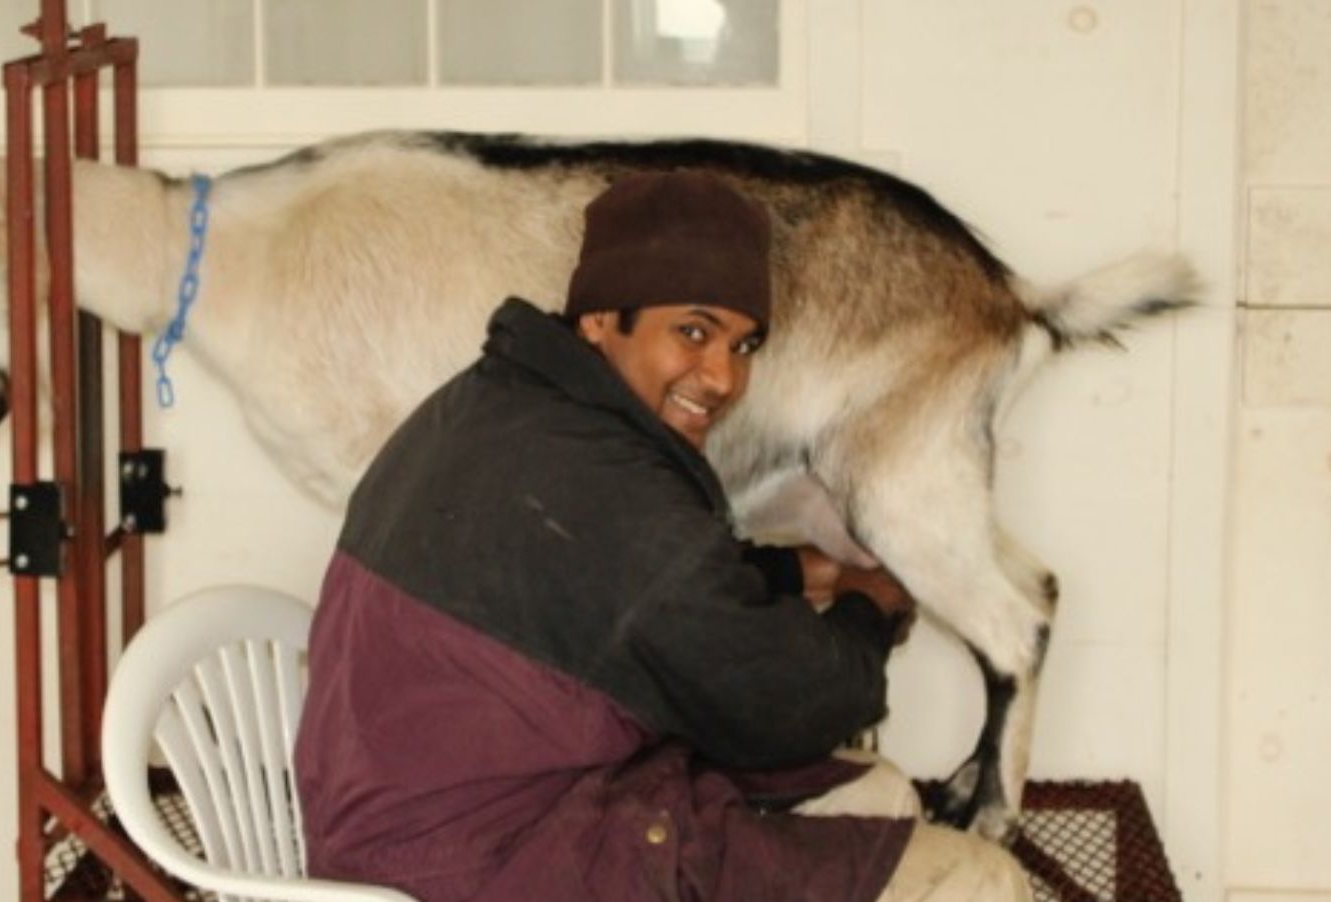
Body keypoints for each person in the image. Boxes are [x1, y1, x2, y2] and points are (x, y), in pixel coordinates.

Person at [294, 171, 1033, 901]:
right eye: (692, 332)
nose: (719, 377)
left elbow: (622, 592)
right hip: (479, 865)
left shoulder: (496, 401)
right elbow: (788, 708)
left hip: (410, 825)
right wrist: (870, 607)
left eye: (743, 346)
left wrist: (789, 574)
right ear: (599, 320)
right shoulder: (610, 479)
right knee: (980, 880)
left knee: (878, 793)